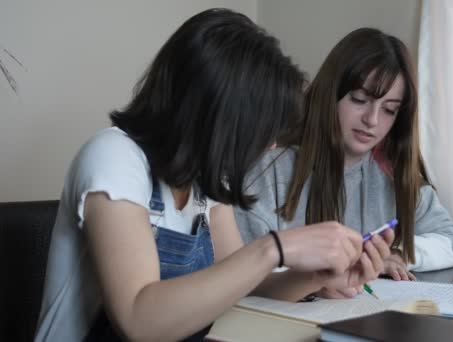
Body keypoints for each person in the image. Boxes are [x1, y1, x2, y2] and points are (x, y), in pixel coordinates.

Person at [35, 11, 393, 341]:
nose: (270, 146)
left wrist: (316, 278)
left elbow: (241, 287)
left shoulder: (206, 183)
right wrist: (274, 248)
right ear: (222, 115)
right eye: (263, 129)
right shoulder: (114, 157)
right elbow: (138, 318)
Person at [235, 28, 453, 297]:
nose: (372, 120)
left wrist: (395, 253)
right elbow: (237, 269)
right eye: (359, 99)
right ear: (331, 94)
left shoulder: (392, 175)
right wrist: (313, 282)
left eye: (389, 109)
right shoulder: (271, 168)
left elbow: (450, 241)